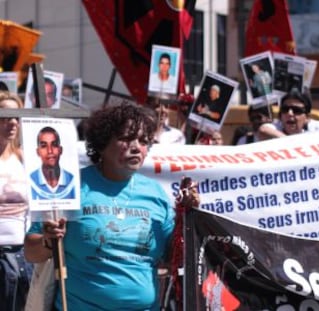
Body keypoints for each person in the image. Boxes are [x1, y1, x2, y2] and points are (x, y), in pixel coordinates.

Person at [24, 103, 200, 310]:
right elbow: (30, 252)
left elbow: (173, 257)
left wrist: (188, 217)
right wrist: (48, 240)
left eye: (144, 141)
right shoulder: (70, 187)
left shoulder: (155, 194)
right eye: (126, 138)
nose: (136, 147)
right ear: (102, 143)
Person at [0, 91, 33, 311]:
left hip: (23, 256)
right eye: (5, 116)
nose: (12, 123)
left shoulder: (25, 158)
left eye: (16, 117)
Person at [29, 127, 75, 200]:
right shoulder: (30, 180)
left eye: (54, 145)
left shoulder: (72, 180)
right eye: (44, 146)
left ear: (60, 150)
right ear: (38, 152)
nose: (50, 151)